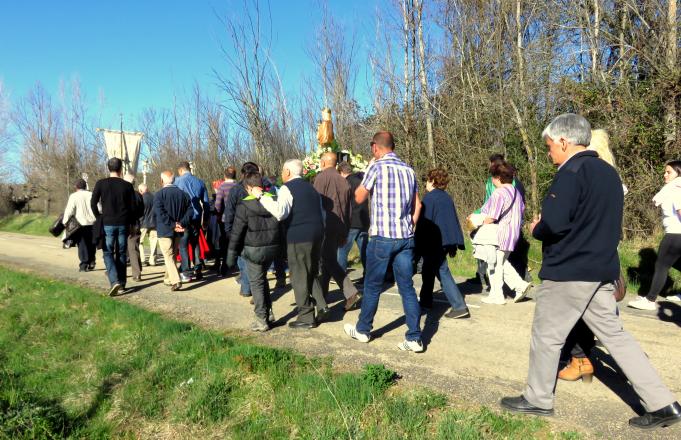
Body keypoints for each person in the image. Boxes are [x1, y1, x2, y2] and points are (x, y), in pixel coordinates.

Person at [500, 113, 681, 430]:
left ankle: (537, 399)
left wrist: (536, 228)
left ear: (563, 141)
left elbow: (554, 223)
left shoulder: (571, 172)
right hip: (602, 269)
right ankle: (663, 404)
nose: (549, 154)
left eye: (549, 146)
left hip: (570, 269)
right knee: (616, 337)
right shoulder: (608, 173)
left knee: (546, 336)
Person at [343, 131, 424, 353]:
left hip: (382, 237)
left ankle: (363, 329)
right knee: (407, 288)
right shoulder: (409, 170)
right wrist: (409, 226)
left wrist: (368, 169)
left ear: (375, 147)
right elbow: (417, 205)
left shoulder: (376, 167)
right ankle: (414, 337)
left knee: (372, 286)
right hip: (405, 237)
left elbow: (359, 197)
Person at [254, 159, 329, 329]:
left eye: (282, 170)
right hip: (317, 234)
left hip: (299, 236)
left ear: (287, 172)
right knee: (310, 271)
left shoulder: (287, 188)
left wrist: (261, 196)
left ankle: (306, 317)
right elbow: (321, 212)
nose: (281, 174)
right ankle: (322, 304)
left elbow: (280, 212)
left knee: (299, 276)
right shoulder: (311, 188)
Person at [227, 172, 282, 331]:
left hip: (253, 250)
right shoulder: (273, 200)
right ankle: (268, 313)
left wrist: (231, 254)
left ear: (248, 188)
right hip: (272, 248)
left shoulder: (244, 205)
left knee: (256, 283)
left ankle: (261, 319)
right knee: (262, 280)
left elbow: (237, 232)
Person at [415, 168, 469, 318]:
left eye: (427, 180)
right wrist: (453, 245)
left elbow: (425, 224)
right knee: (428, 270)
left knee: (442, 271)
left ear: (433, 181)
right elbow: (452, 221)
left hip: (435, 242)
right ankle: (425, 302)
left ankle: (459, 306)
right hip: (445, 241)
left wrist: (417, 244)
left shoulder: (430, 198)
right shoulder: (447, 197)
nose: (426, 183)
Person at [476, 162, 531, 305]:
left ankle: (497, 295)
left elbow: (492, 217)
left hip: (500, 233)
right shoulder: (516, 192)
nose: (492, 180)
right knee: (501, 262)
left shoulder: (499, 193)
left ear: (499, 178)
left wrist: (477, 222)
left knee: (494, 264)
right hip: (513, 233)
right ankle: (520, 285)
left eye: (493, 177)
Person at [628, 160, 681, 310]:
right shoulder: (674, 189)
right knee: (676, 262)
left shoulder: (676, 190)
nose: (665, 175)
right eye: (665, 171)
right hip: (677, 235)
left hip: (674, 235)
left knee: (661, 266)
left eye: (669, 172)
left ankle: (650, 300)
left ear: (679, 174)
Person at [313, 152, 362, 311]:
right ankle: (322, 295)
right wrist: (345, 230)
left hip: (325, 226)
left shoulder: (321, 178)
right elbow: (348, 210)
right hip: (340, 226)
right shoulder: (343, 181)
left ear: (323, 163)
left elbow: (316, 204)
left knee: (329, 260)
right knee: (328, 259)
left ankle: (351, 293)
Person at [90, 157, 139, 296]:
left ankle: (114, 281)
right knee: (122, 253)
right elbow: (133, 208)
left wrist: (98, 217)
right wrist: (132, 224)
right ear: (121, 169)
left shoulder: (101, 183)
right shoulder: (127, 186)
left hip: (107, 223)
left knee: (108, 253)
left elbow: (93, 203)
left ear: (108, 168)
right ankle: (122, 284)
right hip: (123, 223)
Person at [224, 162, 260, 297]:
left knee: (243, 259)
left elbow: (229, 212)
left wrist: (228, 230)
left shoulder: (236, 190)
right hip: (257, 228)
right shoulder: (262, 188)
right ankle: (250, 287)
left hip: (241, 228)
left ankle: (246, 288)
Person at [153, 171, 192, 291]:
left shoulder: (159, 195)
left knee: (169, 255)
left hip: (165, 229)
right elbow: (190, 211)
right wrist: (181, 223)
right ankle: (168, 278)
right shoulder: (184, 194)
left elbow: (160, 213)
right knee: (172, 255)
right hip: (178, 229)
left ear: (162, 181)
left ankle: (175, 280)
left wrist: (174, 224)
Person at [175, 161, 210, 280]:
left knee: (183, 244)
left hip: (184, 217)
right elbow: (206, 203)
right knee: (195, 243)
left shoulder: (178, 181)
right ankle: (198, 267)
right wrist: (205, 219)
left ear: (181, 170)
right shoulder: (200, 182)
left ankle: (186, 271)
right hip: (197, 216)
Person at [337, 161, 369, 279]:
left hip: (352, 221)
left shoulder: (346, 183)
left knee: (342, 249)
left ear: (341, 172)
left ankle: (340, 276)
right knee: (364, 250)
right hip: (364, 220)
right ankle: (368, 275)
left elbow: (344, 203)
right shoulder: (361, 181)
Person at [62, 178, 96, 272]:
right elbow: (99, 208)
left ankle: (84, 265)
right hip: (93, 223)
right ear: (85, 186)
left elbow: (69, 210)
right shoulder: (92, 194)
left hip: (80, 224)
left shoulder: (74, 196)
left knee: (82, 244)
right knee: (92, 243)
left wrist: (65, 222)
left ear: (76, 187)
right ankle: (92, 261)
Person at [214, 166, 238, 276]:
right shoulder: (239, 186)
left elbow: (218, 205)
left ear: (224, 175)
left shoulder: (222, 187)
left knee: (225, 243)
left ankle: (225, 268)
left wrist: (218, 215)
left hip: (225, 219)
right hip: (239, 218)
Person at [124, 174, 145, 282]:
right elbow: (142, 210)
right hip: (135, 223)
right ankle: (137, 272)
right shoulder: (138, 195)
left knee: (122, 248)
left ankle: (119, 271)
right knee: (134, 248)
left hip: (125, 223)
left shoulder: (123, 194)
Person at [138, 183, 159, 266]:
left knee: (140, 241)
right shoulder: (155, 197)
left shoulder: (141, 198)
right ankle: (152, 260)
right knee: (153, 242)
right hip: (154, 222)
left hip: (143, 223)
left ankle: (142, 259)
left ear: (140, 190)